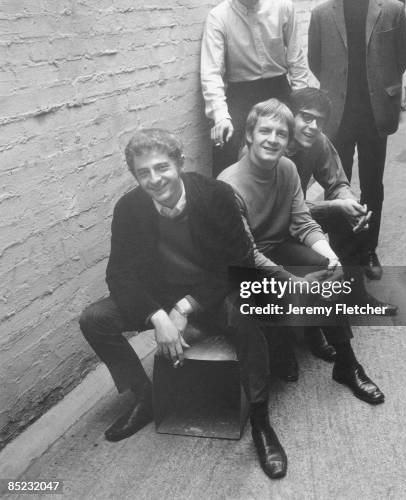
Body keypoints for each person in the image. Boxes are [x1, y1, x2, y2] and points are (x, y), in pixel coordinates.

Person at [79, 129, 287, 479]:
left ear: (180, 163)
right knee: (94, 318)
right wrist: (158, 316)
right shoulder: (129, 208)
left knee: (246, 315)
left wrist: (186, 307)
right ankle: (145, 397)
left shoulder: (216, 195)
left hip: (213, 292)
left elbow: (239, 264)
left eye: (162, 167)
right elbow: (120, 276)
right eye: (143, 173)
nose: (154, 179)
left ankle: (261, 422)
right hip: (159, 296)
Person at [218, 100, 385, 405]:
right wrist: (293, 281)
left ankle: (347, 366)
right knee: (292, 290)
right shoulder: (228, 186)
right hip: (244, 267)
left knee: (328, 271)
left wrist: (329, 255)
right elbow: (248, 253)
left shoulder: (288, 168)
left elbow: (302, 221)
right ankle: (281, 347)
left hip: (278, 247)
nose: (272, 139)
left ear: (288, 138)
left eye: (281, 133)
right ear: (249, 135)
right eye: (265, 131)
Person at [308, 0, 406, 280]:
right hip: (338, 114)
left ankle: (367, 250)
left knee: (372, 185)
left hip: (374, 115)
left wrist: (382, 87)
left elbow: (402, 56)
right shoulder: (322, 13)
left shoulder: (392, 10)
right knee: (338, 184)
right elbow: (315, 61)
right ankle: (340, 249)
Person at [287, 86, 398, 320]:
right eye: (306, 117)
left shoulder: (317, 140)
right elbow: (285, 210)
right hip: (272, 229)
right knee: (334, 221)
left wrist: (351, 204)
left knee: (350, 216)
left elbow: (336, 183)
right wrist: (335, 206)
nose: (313, 127)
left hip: (300, 218)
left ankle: (355, 296)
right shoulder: (271, 143)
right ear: (289, 115)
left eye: (319, 121)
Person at [201, 0, 309, 176]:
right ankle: (228, 207)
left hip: (279, 88)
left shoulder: (283, 6)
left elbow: (296, 61)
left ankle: (294, 203)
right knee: (225, 145)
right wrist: (220, 116)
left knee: (297, 143)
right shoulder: (218, 17)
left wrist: (301, 105)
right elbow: (211, 73)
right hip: (241, 93)